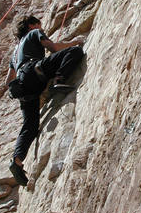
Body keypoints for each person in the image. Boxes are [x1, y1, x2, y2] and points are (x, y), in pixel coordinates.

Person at [5, 15, 84, 186]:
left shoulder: (14, 53)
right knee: (75, 52)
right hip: (35, 71)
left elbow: (8, 81)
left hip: (22, 87)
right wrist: (74, 41)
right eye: (39, 25)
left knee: (30, 126)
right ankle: (60, 80)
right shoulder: (35, 33)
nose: (42, 28)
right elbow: (54, 48)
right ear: (32, 25)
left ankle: (17, 160)